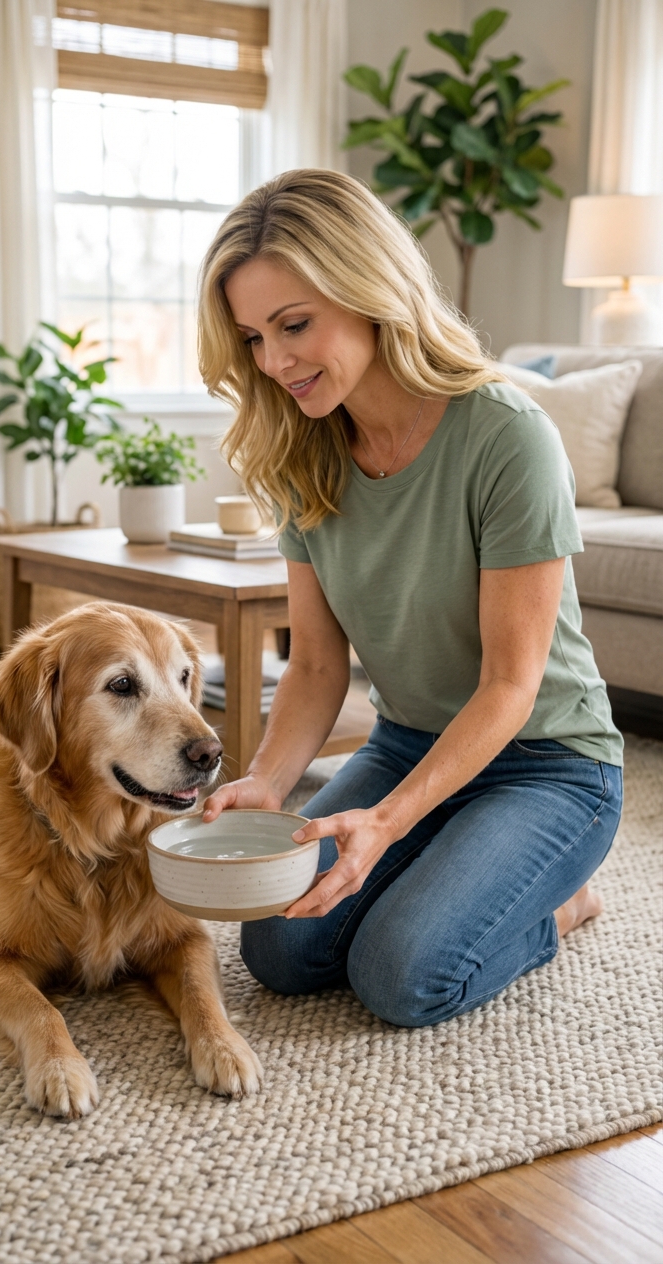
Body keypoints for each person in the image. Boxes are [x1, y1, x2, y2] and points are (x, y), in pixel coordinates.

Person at [196, 169, 623, 1028]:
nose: (274, 363)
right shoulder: (300, 454)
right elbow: (317, 663)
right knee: (279, 950)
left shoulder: (506, 435)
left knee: (401, 974)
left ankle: (559, 908)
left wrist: (385, 823)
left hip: (548, 766)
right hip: (407, 741)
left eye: (294, 325)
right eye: (252, 337)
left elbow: (511, 686)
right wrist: (268, 781)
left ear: (368, 291)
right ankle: (442, 853)